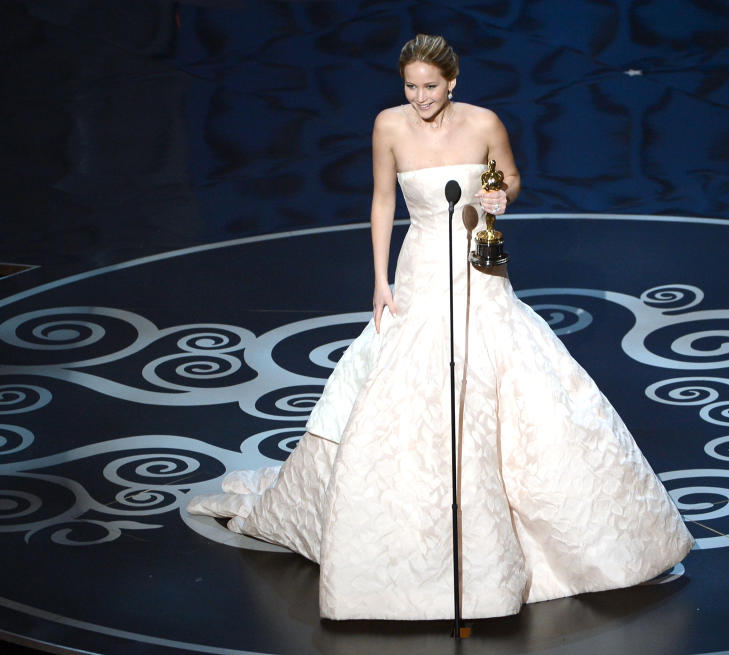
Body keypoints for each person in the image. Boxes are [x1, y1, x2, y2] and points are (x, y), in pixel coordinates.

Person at [188, 34, 694, 621]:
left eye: (431, 86)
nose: (420, 96)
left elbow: (511, 180)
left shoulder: (484, 123)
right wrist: (379, 280)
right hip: (423, 267)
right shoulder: (389, 127)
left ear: (452, 82)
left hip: (481, 264)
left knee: (503, 373)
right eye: (411, 86)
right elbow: (382, 201)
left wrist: (497, 194)